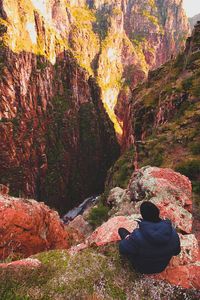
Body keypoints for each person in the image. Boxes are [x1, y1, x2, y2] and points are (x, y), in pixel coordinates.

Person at [118, 201, 181, 274]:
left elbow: (122, 249)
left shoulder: (137, 236)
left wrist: (128, 238)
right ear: (157, 213)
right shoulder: (173, 233)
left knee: (121, 231)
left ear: (143, 216)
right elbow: (177, 252)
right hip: (161, 267)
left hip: (141, 268)